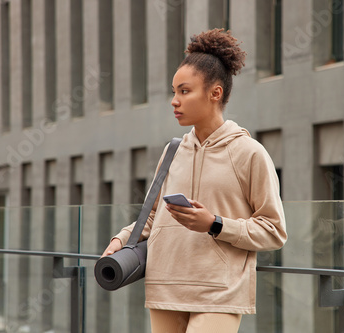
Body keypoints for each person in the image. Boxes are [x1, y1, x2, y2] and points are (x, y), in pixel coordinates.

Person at [102, 28, 287, 333]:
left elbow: (274, 231)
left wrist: (214, 223)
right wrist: (120, 240)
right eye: (173, 91)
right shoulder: (173, 150)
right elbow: (151, 215)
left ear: (215, 93)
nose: (174, 101)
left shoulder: (249, 153)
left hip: (219, 291)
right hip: (165, 285)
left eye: (184, 91)